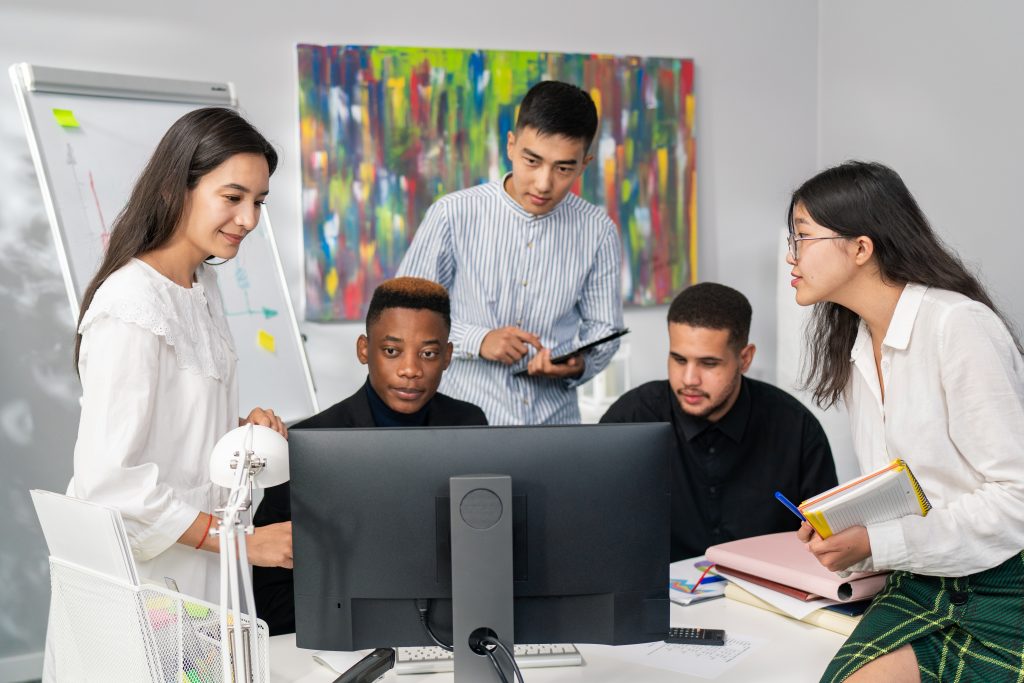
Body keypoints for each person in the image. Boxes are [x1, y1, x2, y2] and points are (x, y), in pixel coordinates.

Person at [786, 161, 1024, 682]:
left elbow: (1018, 500)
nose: (791, 255)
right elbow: (907, 490)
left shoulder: (958, 327)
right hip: (920, 580)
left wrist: (876, 542)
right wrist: (850, 530)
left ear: (861, 248)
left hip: (1006, 586)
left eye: (802, 237)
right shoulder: (854, 347)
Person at [68, 107, 293, 603]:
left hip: (201, 564)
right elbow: (110, 480)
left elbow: (172, 424)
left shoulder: (202, 286)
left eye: (258, 201)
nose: (249, 219)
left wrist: (236, 429)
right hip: (148, 576)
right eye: (233, 198)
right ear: (176, 189)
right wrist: (239, 541)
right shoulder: (131, 304)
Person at [253, 276, 487, 634]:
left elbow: (488, 546)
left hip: (451, 632)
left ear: (448, 356)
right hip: (343, 639)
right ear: (364, 349)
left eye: (428, 353)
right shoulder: (309, 443)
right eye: (392, 351)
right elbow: (272, 593)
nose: (410, 369)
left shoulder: (470, 425)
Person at [397, 80, 623, 425]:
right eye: (532, 160)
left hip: (555, 428)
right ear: (511, 146)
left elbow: (604, 329)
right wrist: (480, 339)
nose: (544, 183)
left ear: (585, 163)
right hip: (464, 423)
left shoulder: (598, 231)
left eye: (564, 168)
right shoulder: (453, 214)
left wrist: (579, 364)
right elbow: (405, 314)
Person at [600, 282, 837, 561]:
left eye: (708, 364)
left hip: (767, 599)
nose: (689, 379)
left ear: (744, 359)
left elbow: (828, 543)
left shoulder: (796, 430)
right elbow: (593, 532)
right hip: (656, 598)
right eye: (678, 359)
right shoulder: (629, 420)